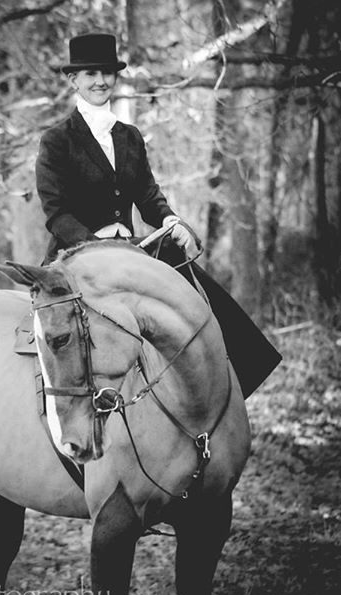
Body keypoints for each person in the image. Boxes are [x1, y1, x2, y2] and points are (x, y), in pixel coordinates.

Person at [35, 32, 281, 397]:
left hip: (131, 249)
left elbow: (148, 195)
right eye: (90, 74)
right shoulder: (57, 140)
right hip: (77, 253)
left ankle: (232, 375)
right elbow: (56, 213)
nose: (100, 81)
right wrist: (93, 243)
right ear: (74, 80)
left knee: (191, 278)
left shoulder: (130, 136)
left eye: (106, 72)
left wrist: (171, 221)